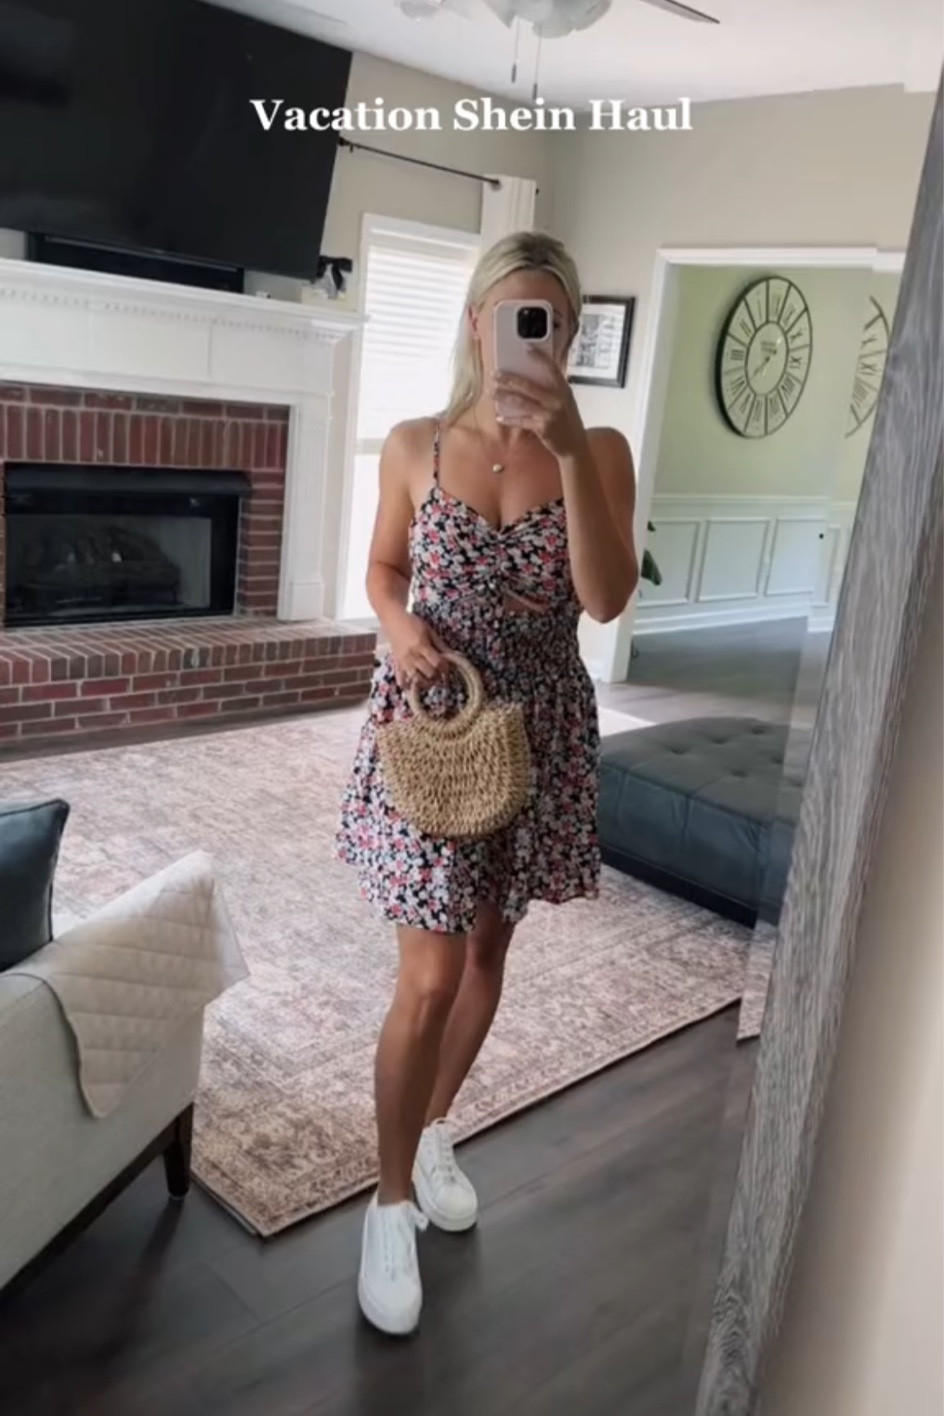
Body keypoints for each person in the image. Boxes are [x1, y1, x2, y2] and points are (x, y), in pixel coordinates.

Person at [337, 230, 639, 1336]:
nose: (530, 334)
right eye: (514, 314)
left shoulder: (599, 449)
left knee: (483, 954)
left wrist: (565, 446)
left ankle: (429, 1130)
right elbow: (382, 569)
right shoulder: (414, 445)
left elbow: (603, 599)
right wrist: (398, 624)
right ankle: (388, 1203)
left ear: (570, 334)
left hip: (540, 729)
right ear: (476, 324)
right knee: (424, 978)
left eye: (550, 319)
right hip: (435, 724)